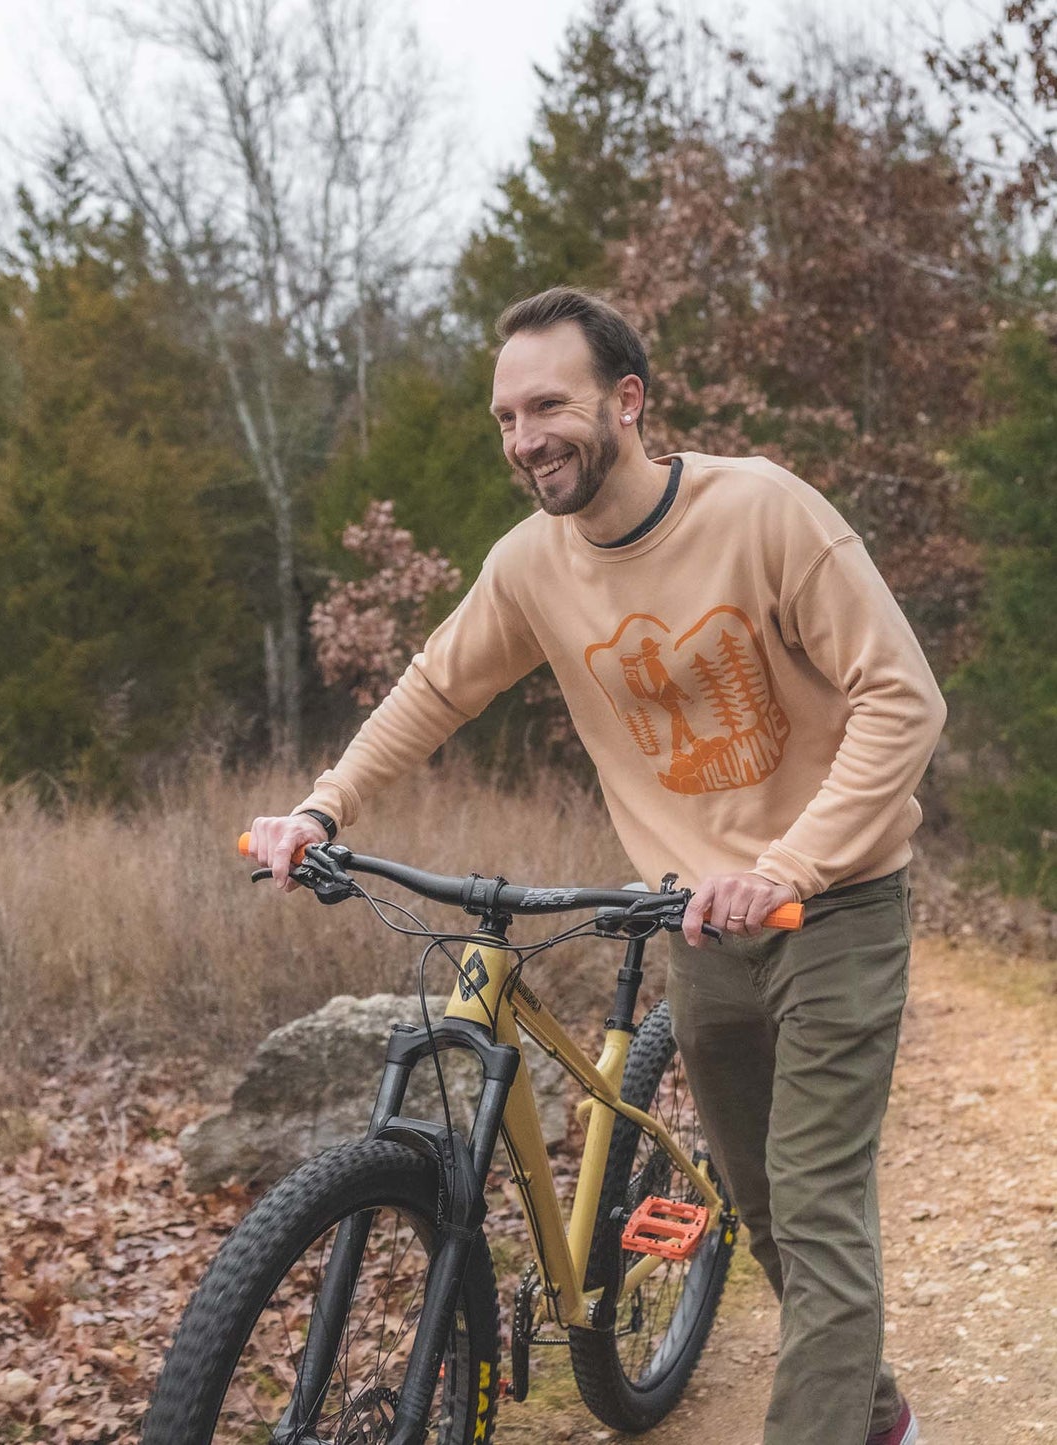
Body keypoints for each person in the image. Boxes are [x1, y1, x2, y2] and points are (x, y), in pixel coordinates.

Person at [245, 287, 941, 1445]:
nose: (523, 440)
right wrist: (321, 806)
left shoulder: (760, 511)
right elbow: (435, 687)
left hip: (835, 904)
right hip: (698, 927)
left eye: (547, 406)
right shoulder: (531, 566)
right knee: (766, 1217)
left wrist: (790, 864)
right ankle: (873, 1417)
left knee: (815, 1215)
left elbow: (900, 698)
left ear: (625, 401)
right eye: (505, 418)